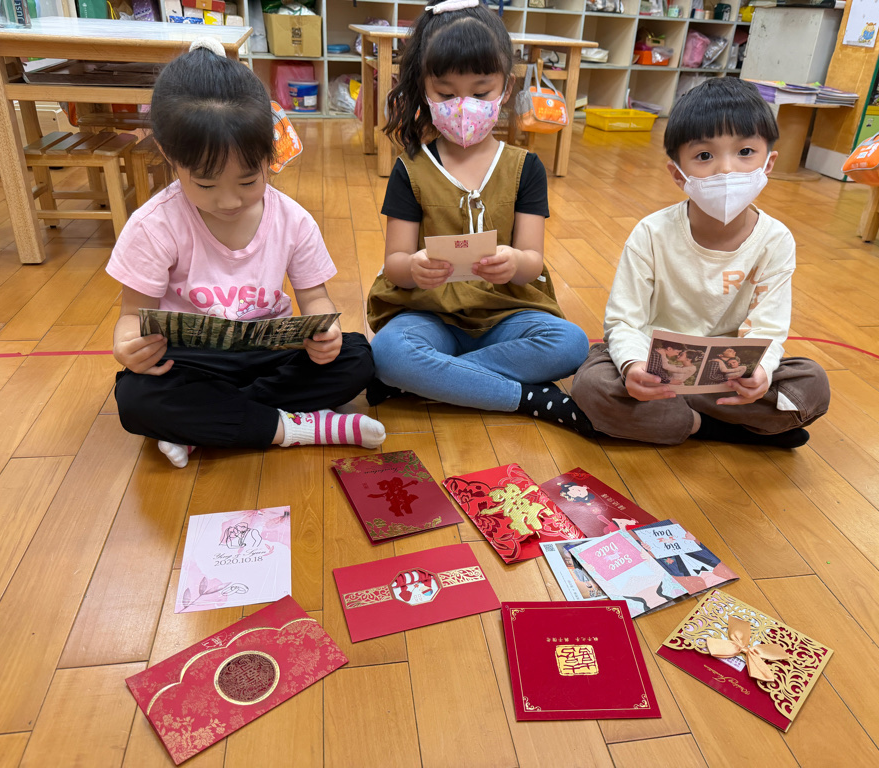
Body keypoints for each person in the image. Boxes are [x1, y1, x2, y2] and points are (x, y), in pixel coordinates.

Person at [107, 38, 384, 468]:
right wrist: (127, 345)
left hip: (268, 354)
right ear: (167, 152)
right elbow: (132, 315)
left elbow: (315, 299)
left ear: (269, 153)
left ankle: (203, 423)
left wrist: (325, 333)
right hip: (194, 362)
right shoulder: (154, 225)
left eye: (248, 180)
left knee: (356, 357)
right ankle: (303, 427)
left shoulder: (292, 220)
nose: (229, 200)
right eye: (205, 184)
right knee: (134, 397)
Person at [364, 0, 594, 435]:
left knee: (571, 343)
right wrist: (414, 268)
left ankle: (432, 380)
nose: (463, 106)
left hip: (505, 313)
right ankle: (525, 398)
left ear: (506, 88)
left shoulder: (525, 167)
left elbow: (532, 260)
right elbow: (394, 263)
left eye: (480, 92)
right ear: (423, 89)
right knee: (391, 351)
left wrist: (514, 261)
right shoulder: (411, 169)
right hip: (430, 314)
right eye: (446, 94)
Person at [573, 77, 830, 447]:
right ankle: (716, 428)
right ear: (678, 175)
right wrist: (633, 367)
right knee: (592, 383)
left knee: (812, 383)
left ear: (768, 163)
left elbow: (768, 328)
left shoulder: (775, 239)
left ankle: (676, 420)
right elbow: (624, 321)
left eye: (745, 152)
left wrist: (760, 372)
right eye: (705, 156)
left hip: (727, 374)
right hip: (656, 368)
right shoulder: (652, 233)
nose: (726, 170)